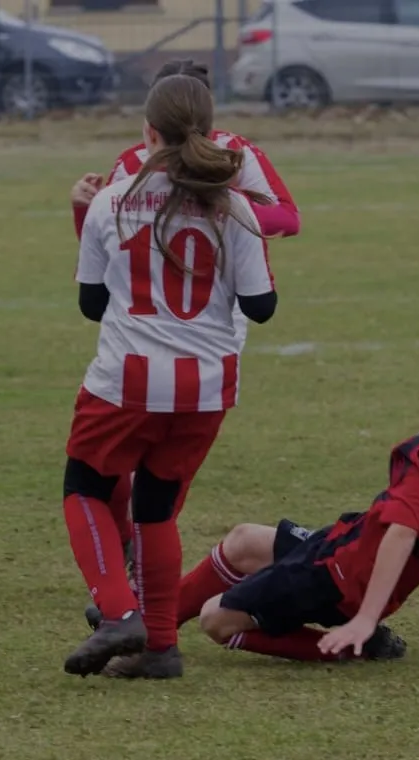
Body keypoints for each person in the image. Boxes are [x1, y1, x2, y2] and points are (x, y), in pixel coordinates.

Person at [62, 74, 279, 680]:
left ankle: (118, 612)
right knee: (155, 510)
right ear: (209, 132)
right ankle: (159, 648)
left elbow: (90, 304)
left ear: (148, 132)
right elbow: (261, 307)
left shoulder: (112, 200)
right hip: (206, 385)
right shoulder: (233, 206)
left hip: (127, 380)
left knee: (84, 488)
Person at [195, 349, 419, 663]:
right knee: (244, 540)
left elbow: (401, 533)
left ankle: (356, 647)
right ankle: (161, 629)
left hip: (338, 578)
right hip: (344, 549)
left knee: (215, 619)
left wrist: (365, 619)